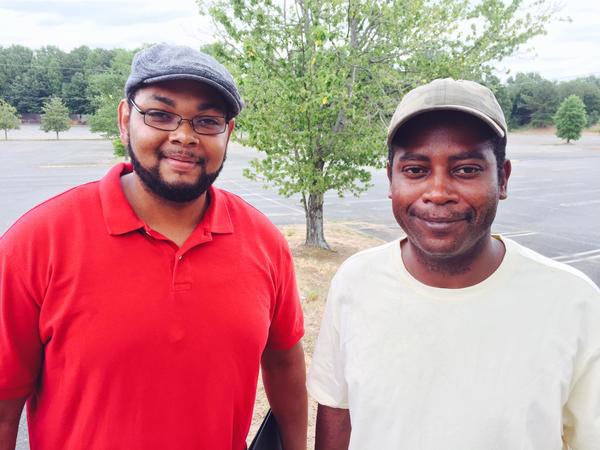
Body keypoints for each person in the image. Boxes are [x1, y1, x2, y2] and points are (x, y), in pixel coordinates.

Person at [0, 43, 307, 450]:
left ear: (228, 133)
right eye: (160, 114)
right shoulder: (38, 242)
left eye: (207, 120)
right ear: (125, 119)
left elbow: (285, 363)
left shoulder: (264, 242)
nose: (184, 135)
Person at [307, 78, 600, 449]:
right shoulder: (356, 281)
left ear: (503, 178)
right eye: (415, 170)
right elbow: (337, 409)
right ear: (390, 179)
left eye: (466, 170)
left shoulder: (573, 302)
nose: (438, 193)